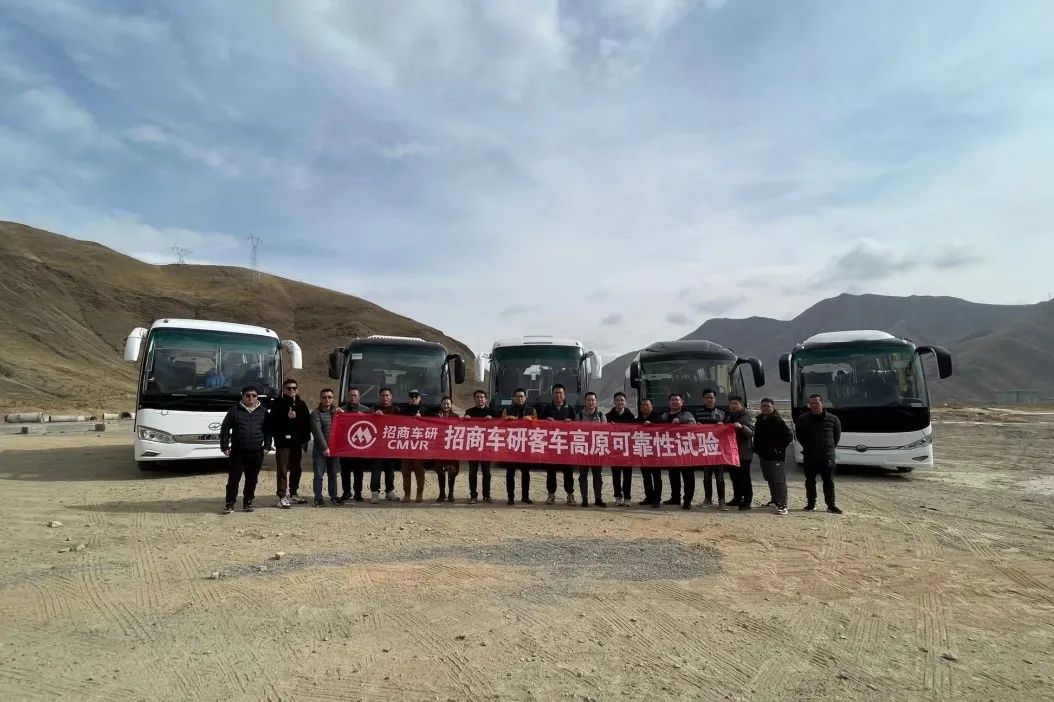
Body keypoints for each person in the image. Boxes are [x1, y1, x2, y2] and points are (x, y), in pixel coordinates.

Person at [219, 385, 272, 514]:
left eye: (254, 395)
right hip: (238, 451)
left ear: (257, 397)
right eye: (248, 395)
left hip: (256, 451)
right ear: (242, 396)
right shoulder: (234, 410)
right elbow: (225, 428)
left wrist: (267, 446)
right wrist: (224, 446)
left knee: (252, 479)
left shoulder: (263, 412)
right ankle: (230, 503)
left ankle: (248, 502)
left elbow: (268, 431)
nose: (251, 398)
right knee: (233, 479)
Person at [794, 393, 843, 514]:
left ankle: (831, 505)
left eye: (816, 403)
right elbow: (799, 435)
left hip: (827, 457)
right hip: (810, 456)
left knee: (829, 482)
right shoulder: (802, 419)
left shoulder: (833, 419)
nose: (814, 405)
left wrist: (827, 447)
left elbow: (836, 437)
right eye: (811, 403)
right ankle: (811, 504)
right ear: (809, 405)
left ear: (822, 403)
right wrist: (809, 446)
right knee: (810, 481)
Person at [268, 378, 311, 508]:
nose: (291, 390)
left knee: (296, 469)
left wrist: (305, 440)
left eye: (294, 388)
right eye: (288, 388)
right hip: (283, 443)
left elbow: (306, 424)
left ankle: (293, 493)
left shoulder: (301, 404)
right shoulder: (277, 404)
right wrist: (286, 418)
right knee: (283, 469)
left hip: (296, 443)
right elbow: (272, 424)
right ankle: (282, 496)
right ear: (284, 390)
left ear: (297, 389)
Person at [754, 397, 793, 515]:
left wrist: (778, 449)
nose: (765, 408)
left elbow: (788, 436)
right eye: (763, 406)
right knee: (770, 479)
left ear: (773, 407)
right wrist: (757, 450)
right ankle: (775, 500)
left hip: (776, 457)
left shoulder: (778, 421)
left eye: (768, 406)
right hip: (764, 456)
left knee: (779, 481)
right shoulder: (759, 420)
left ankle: (783, 504)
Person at [540, 384, 577, 505]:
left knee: (568, 472)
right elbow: (539, 425)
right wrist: (546, 421)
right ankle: (551, 495)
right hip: (551, 446)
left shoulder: (570, 408)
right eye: (556, 393)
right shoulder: (546, 408)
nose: (558, 395)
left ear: (564, 395)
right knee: (551, 472)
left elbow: (577, 426)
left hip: (566, 446)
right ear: (552, 394)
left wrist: (571, 422)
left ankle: (570, 495)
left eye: (560, 393)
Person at [660, 393, 697, 510]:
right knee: (673, 475)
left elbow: (694, 428)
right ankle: (675, 498)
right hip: (671, 450)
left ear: (682, 402)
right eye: (672, 400)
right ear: (669, 402)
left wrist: (681, 423)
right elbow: (658, 430)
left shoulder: (687, 414)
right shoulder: (664, 416)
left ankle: (687, 501)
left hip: (686, 450)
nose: (675, 402)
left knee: (688, 476)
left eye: (677, 400)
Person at [501, 388, 536, 505]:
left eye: (522, 396)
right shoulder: (507, 410)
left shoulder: (532, 410)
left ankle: (525, 496)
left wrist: (531, 421)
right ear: (514, 398)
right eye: (517, 396)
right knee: (510, 473)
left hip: (526, 446)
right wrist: (507, 421)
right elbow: (500, 426)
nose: (520, 398)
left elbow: (538, 427)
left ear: (525, 398)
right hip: (512, 445)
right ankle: (510, 497)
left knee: (526, 473)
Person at [310, 388, 342, 507]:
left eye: (329, 397)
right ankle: (318, 498)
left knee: (333, 474)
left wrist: (342, 414)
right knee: (319, 475)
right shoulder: (316, 413)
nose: (327, 399)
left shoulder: (337, 412)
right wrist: (325, 448)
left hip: (334, 449)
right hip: (320, 449)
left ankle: (333, 496)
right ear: (320, 399)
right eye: (324, 397)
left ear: (333, 398)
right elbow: (317, 432)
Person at [695, 389, 727, 508]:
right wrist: (696, 426)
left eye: (711, 397)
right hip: (704, 449)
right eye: (707, 397)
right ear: (703, 399)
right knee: (707, 476)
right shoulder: (698, 413)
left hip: (718, 449)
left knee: (720, 477)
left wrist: (723, 426)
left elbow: (729, 429)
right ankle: (708, 499)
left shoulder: (722, 413)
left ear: (715, 398)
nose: (709, 399)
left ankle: (722, 500)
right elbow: (692, 429)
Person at [338, 387, 371, 502]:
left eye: (355, 395)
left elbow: (373, 426)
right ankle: (346, 492)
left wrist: (366, 417)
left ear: (359, 397)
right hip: (345, 446)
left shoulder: (366, 410)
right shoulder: (341, 410)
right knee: (345, 471)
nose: (353, 398)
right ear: (347, 397)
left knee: (358, 471)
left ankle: (358, 493)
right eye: (351, 395)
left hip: (359, 446)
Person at [723, 395, 755, 511]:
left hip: (743, 453)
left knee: (744, 478)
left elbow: (751, 433)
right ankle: (737, 498)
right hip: (731, 453)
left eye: (736, 404)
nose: (733, 406)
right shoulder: (729, 416)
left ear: (741, 404)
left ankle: (747, 501)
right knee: (734, 477)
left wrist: (742, 427)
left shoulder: (746, 417)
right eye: (731, 404)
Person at [464, 389, 497, 503]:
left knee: (486, 473)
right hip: (473, 446)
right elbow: (463, 429)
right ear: (474, 399)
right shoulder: (469, 411)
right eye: (477, 397)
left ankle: (487, 495)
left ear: (486, 399)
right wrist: (465, 420)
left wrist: (492, 420)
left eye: (482, 397)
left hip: (487, 446)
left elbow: (500, 427)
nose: (480, 399)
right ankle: (473, 495)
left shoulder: (492, 412)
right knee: (472, 472)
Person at [370, 387, 401, 503]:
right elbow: (366, 420)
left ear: (391, 397)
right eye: (383, 395)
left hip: (390, 446)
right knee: (376, 470)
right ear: (379, 397)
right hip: (376, 445)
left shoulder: (396, 410)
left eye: (387, 395)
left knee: (390, 470)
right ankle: (375, 493)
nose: (385, 397)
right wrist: (373, 415)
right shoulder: (373, 409)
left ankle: (389, 491)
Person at [577, 392, 607, 507]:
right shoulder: (579, 416)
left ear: (596, 401)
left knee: (597, 476)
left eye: (592, 400)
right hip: (583, 450)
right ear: (585, 402)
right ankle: (584, 499)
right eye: (588, 400)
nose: (590, 402)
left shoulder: (601, 415)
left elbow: (606, 432)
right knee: (583, 476)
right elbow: (574, 431)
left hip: (597, 450)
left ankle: (598, 498)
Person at [605, 392, 636, 506]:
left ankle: (627, 497)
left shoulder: (630, 416)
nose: (620, 402)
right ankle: (617, 496)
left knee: (627, 475)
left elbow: (634, 432)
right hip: (614, 451)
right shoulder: (608, 416)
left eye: (622, 400)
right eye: (617, 400)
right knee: (616, 475)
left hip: (627, 450)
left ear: (625, 402)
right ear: (614, 402)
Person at [401, 389, 428, 502]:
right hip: (405, 445)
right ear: (408, 398)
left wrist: (422, 419)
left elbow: (433, 423)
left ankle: (419, 493)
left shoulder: (426, 410)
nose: (414, 398)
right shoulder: (403, 411)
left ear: (420, 398)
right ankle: (407, 494)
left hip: (419, 446)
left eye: (416, 396)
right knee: (405, 471)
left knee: (419, 471)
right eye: (411, 396)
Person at [433, 396, 460, 502]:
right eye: (444, 403)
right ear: (441, 405)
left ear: (451, 405)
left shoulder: (456, 416)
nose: (446, 406)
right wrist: (439, 421)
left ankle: (451, 493)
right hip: (439, 447)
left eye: (448, 404)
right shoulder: (436, 416)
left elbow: (458, 430)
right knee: (440, 471)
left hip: (452, 447)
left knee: (452, 471)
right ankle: (442, 493)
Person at [636, 399, 661, 507]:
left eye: (647, 405)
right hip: (643, 452)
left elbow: (663, 430)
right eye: (643, 405)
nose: (644, 407)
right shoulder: (637, 419)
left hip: (655, 452)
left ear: (651, 406)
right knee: (646, 477)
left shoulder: (658, 418)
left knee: (656, 477)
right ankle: (649, 497)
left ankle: (657, 499)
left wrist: (652, 425)